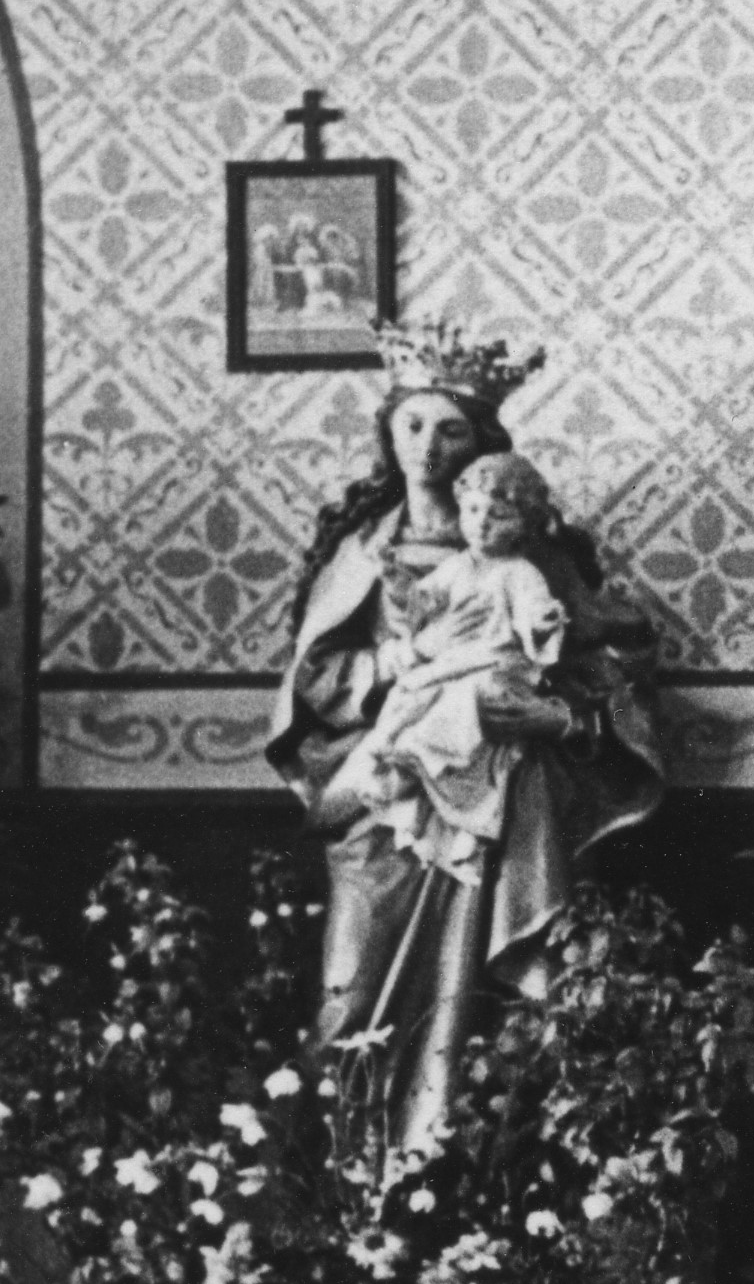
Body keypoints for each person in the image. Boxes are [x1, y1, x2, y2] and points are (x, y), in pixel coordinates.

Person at [265, 334, 661, 1156]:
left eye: (450, 430)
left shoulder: (532, 560)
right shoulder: (363, 554)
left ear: (481, 443)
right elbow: (315, 676)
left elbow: (605, 668)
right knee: (349, 989)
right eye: (412, 425)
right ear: (388, 434)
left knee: (494, 998)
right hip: (384, 797)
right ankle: (343, 1177)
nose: (428, 447)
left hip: (503, 798)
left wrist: (555, 719)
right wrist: (390, 666)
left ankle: (469, 1178)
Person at [324, 449, 574, 876]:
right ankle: (396, 756)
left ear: (523, 525)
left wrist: (543, 622)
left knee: (465, 701)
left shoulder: (520, 572)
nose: (482, 523)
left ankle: (427, 763)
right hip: (454, 662)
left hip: (494, 664)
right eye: (473, 510)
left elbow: (535, 612)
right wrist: (397, 580)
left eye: (499, 515)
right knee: (408, 691)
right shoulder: (456, 566)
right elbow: (422, 603)